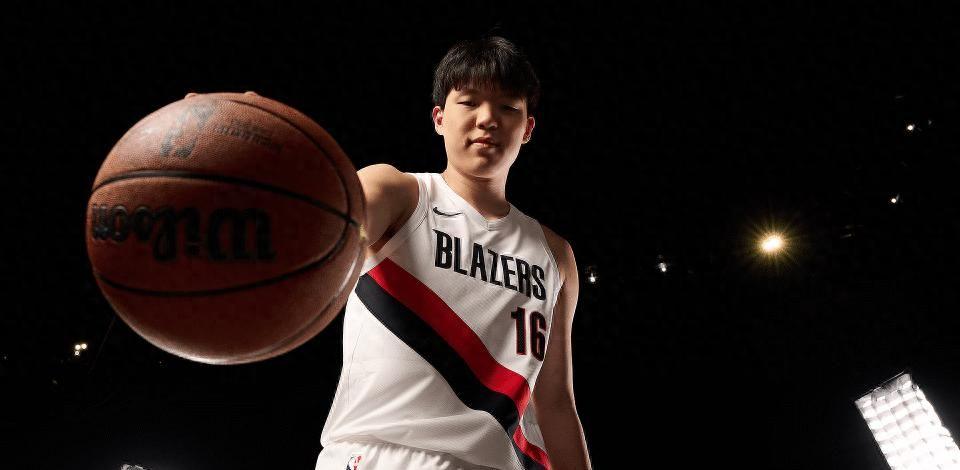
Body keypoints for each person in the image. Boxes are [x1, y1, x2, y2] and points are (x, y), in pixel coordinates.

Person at [315, 36, 592, 470]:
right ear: (440, 118)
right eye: (470, 102)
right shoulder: (398, 194)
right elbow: (320, 230)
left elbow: (555, 402)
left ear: (528, 128)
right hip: (378, 456)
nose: (488, 119)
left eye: (507, 107)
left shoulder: (554, 255)